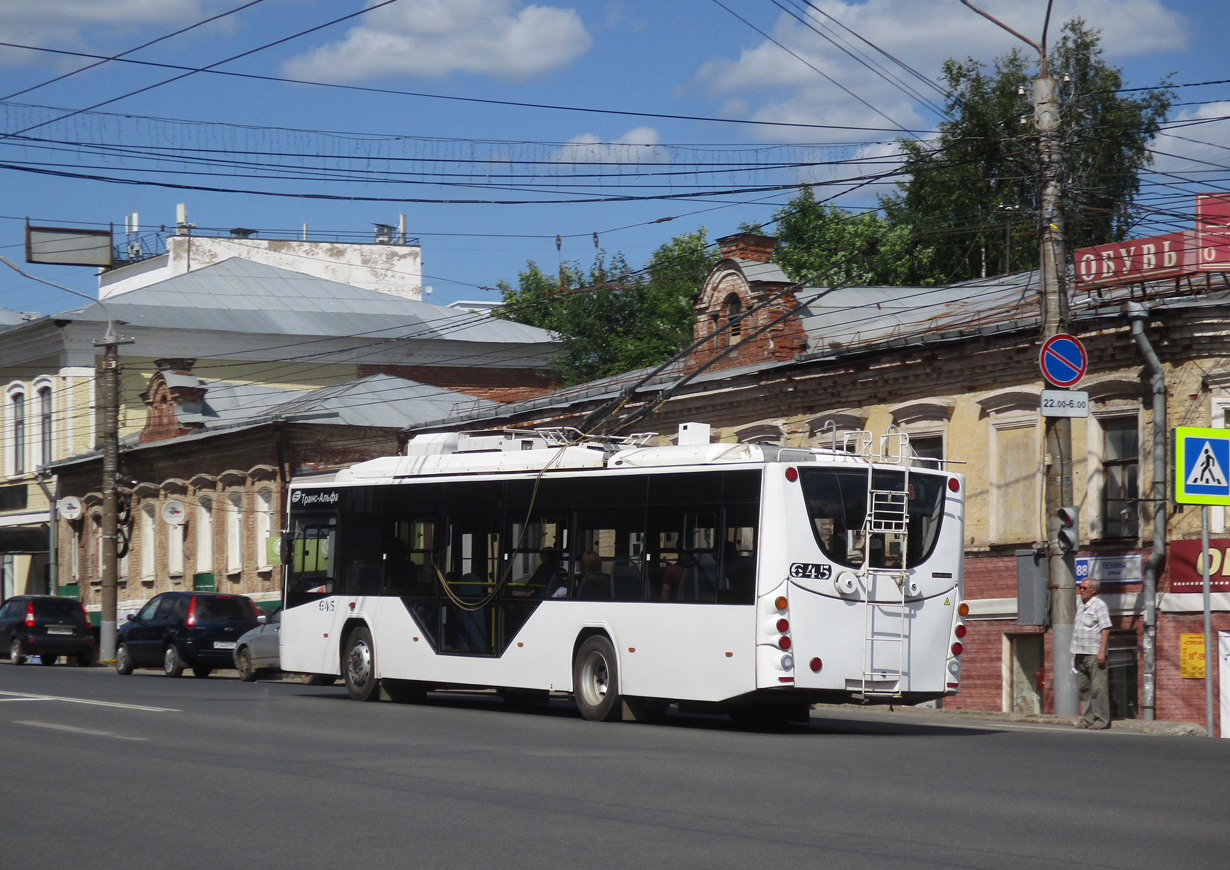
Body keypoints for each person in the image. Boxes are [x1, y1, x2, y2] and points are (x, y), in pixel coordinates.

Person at [1071, 578, 1113, 729]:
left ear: (1093, 590)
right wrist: (1075, 654)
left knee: (1098, 688)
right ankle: (1088, 719)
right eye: (1080, 587)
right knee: (1084, 687)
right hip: (1080, 653)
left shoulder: (1099, 605)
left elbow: (1105, 628)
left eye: (1084, 588)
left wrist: (1101, 652)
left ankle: (1102, 720)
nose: (1080, 590)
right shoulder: (1081, 605)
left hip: (1094, 653)